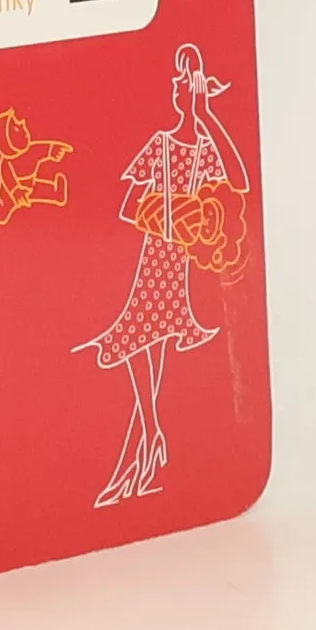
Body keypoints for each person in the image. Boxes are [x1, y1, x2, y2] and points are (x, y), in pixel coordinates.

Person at [76, 43, 250, 508]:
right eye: (177, 84)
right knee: (140, 338)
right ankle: (150, 438)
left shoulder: (205, 150)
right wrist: (166, 214)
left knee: (146, 339)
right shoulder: (163, 144)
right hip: (154, 254)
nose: (176, 88)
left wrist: (207, 115)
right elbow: (128, 204)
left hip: (178, 262)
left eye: (182, 83)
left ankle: (148, 446)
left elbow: (239, 183)